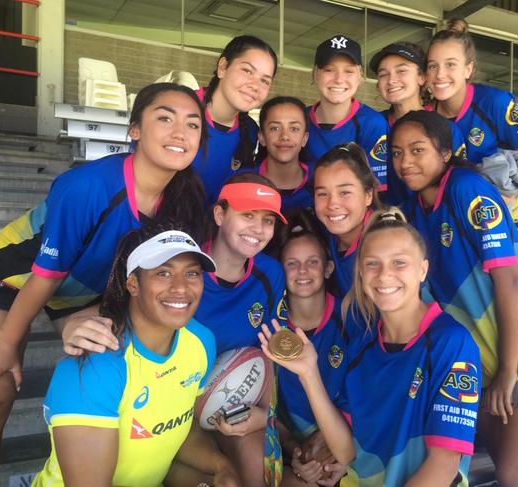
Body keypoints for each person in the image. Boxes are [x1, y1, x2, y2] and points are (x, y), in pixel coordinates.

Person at [0, 82, 208, 487]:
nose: (180, 133)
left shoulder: (184, 198)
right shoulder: (87, 187)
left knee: (103, 352)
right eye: (164, 118)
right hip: (12, 278)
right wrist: (6, 345)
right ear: (134, 130)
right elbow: (46, 276)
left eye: (193, 124)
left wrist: (83, 320)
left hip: (83, 294)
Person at [390, 110, 518, 487]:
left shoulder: (465, 188)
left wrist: (507, 371)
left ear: (445, 153)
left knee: (516, 475)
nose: (405, 161)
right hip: (482, 363)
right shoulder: (415, 210)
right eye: (396, 152)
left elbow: (506, 280)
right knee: (501, 466)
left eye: (417, 149)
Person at [260, 208, 481, 487]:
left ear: (422, 269)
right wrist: (309, 372)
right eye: (373, 264)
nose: (384, 275)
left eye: (399, 263)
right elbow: (346, 451)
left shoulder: (451, 343)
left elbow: (443, 466)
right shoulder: (363, 345)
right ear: (361, 274)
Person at [30, 227, 239, 487]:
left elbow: (173, 429)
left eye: (192, 273)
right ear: (133, 284)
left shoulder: (200, 341)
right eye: (163, 273)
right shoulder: (97, 364)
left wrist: (222, 467)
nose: (180, 287)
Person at [195, 172, 288, 487]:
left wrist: (264, 414)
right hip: (178, 404)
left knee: (256, 466)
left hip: (237, 400)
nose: (258, 230)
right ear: (220, 214)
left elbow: (271, 350)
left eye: (268, 220)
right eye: (247, 215)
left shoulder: (270, 274)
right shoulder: (187, 267)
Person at [426, 19, 518, 251]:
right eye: (432, 66)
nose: (440, 74)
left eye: (450, 65)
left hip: (513, 209)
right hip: (460, 213)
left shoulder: (495, 103)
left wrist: (502, 203)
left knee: (507, 280)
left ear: (468, 69)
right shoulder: (426, 116)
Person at [276, 211, 348, 486]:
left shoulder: (349, 319)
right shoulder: (272, 325)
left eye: (312, 262)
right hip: (289, 453)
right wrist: (295, 449)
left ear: (328, 268)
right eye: (292, 263)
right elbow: (265, 404)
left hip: (345, 449)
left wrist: (333, 450)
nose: (303, 271)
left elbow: (366, 396)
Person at [368, 42, 467, 207]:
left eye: (401, 71)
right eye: (383, 74)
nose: (392, 80)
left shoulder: (445, 128)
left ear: (422, 77)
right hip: (383, 224)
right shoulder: (371, 125)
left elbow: (458, 184)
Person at [193, 35, 278, 204]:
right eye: (247, 71)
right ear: (223, 67)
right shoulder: (180, 109)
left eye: (264, 80)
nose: (255, 85)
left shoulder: (250, 131)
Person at [305, 35, 389, 193]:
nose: (339, 79)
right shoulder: (299, 119)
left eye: (349, 71)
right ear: (315, 73)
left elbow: (376, 192)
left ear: (360, 76)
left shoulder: (372, 123)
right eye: (329, 70)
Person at [313, 143, 382, 296]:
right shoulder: (328, 236)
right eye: (322, 194)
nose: (333, 204)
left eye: (344, 192)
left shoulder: (386, 243)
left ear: (368, 195)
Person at [256, 96, 313, 215]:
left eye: (294, 129)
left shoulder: (319, 180)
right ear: (262, 137)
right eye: (275, 128)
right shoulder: (243, 180)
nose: (285, 136)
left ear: (304, 139)